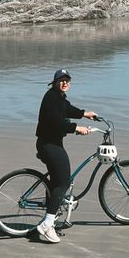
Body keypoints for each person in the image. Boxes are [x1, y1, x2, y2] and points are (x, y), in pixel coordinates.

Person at [34, 69, 98, 243]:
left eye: (67, 80)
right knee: (64, 182)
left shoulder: (58, 98)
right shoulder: (51, 97)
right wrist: (76, 128)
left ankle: (49, 219)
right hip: (49, 145)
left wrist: (85, 114)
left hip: (52, 143)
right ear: (55, 82)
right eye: (61, 80)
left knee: (56, 183)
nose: (64, 83)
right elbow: (57, 121)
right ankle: (47, 225)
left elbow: (67, 109)